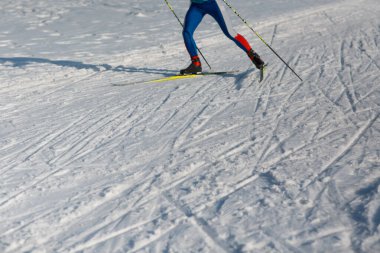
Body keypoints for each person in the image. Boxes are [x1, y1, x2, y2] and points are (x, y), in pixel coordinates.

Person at [180, 0, 265, 74]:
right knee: (187, 32)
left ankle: (253, 55)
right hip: (196, 6)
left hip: (213, 4)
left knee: (230, 33)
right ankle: (196, 64)